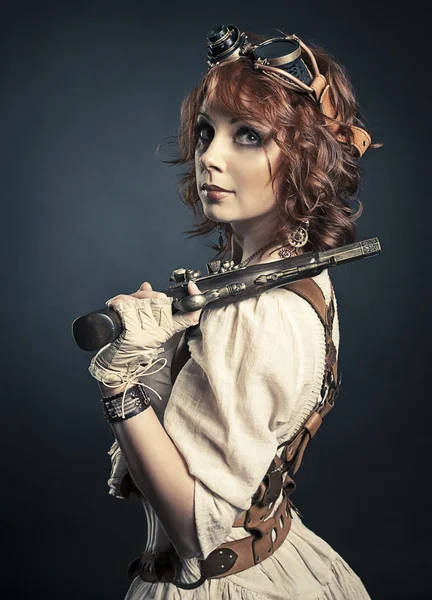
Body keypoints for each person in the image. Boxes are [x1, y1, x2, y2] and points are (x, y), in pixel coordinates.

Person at [88, 25, 376, 599]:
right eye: (205, 132)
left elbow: (195, 532)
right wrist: (165, 347)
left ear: (306, 157)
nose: (208, 157)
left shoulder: (261, 314)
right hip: (275, 547)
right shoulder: (292, 276)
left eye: (248, 135)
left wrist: (122, 381)